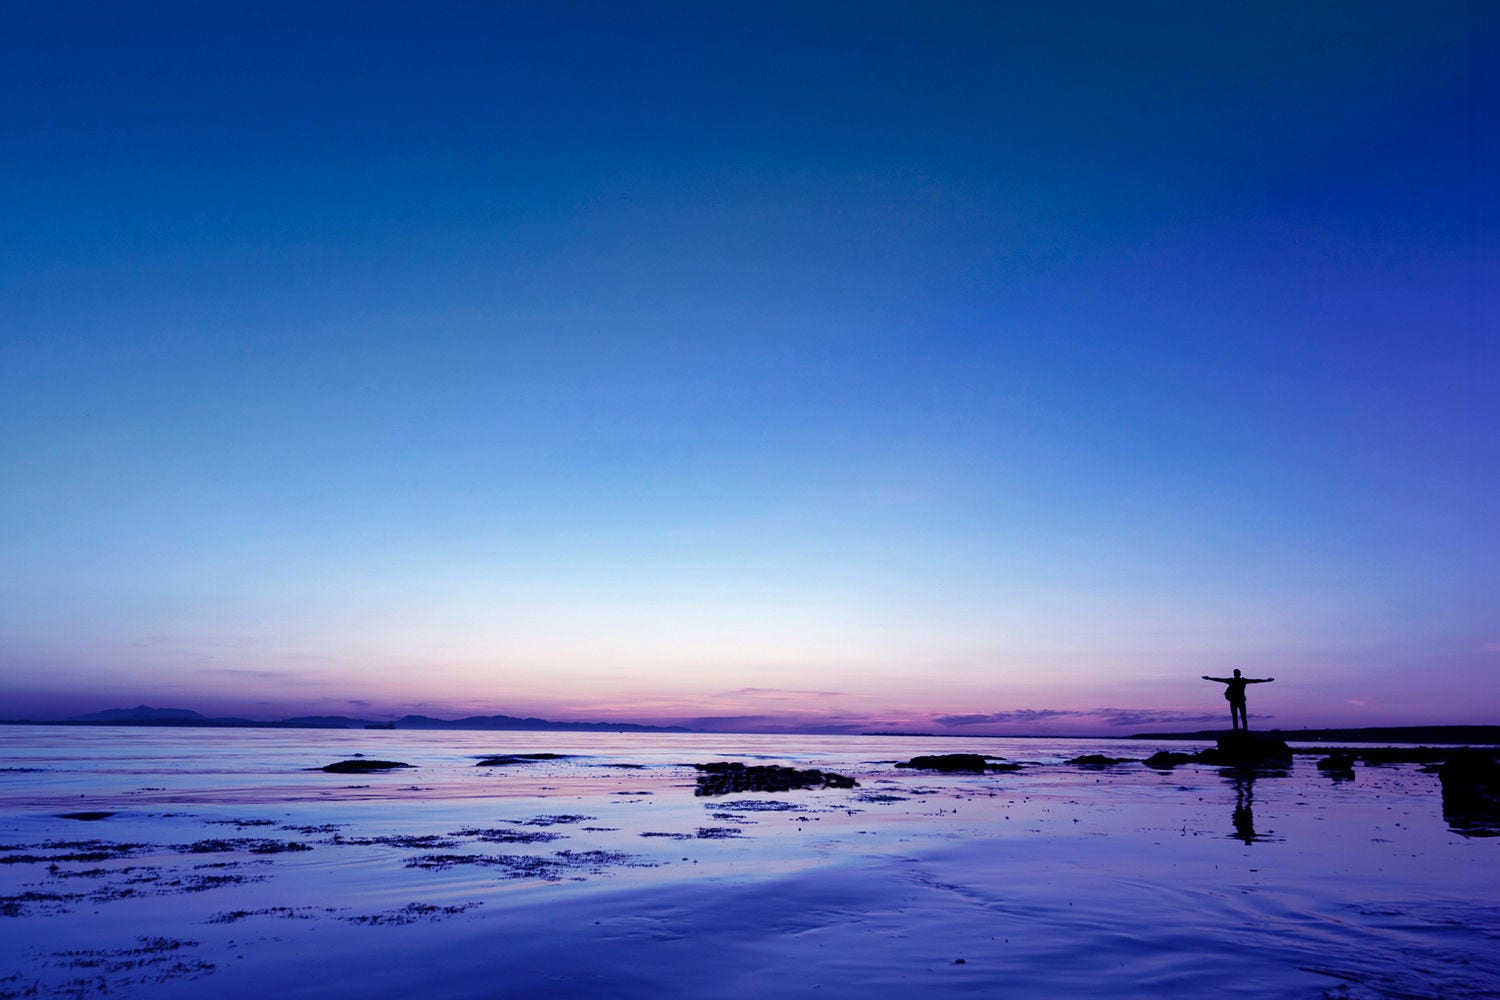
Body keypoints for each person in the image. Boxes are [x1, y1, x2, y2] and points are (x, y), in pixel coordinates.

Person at [1201, 669, 1274, 731]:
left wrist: (1266, 680)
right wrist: (1209, 678)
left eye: (1237, 673)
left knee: (1240, 716)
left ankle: (1243, 731)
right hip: (1236, 700)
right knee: (1238, 716)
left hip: (1238, 700)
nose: (1237, 674)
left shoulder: (1238, 680)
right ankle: (1239, 731)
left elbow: (1255, 681)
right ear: (1237, 674)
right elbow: (1219, 679)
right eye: (1237, 673)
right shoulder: (1238, 680)